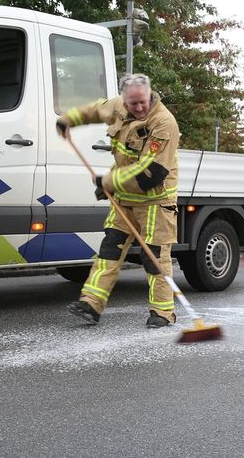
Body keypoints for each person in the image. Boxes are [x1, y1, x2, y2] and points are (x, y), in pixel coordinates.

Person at [56, 73, 181, 329]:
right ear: (124, 99)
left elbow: (151, 173)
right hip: (124, 197)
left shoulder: (164, 122)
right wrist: (67, 120)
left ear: (150, 94)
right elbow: (93, 111)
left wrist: (108, 182)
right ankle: (91, 303)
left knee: (155, 258)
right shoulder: (118, 106)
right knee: (110, 249)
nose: (139, 108)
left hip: (155, 200)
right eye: (133, 104)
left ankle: (163, 312)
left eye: (143, 102)